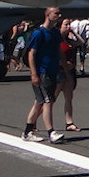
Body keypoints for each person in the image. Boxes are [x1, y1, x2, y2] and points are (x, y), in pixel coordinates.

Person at [22, 8, 66, 143]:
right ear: (48, 15)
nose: (59, 16)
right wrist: (33, 74)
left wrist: (65, 66)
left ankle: (27, 131)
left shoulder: (55, 32)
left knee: (39, 102)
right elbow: (31, 53)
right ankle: (51, 132)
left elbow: (59, 50)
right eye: (56, 13)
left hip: (53, 71)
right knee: (48, 101)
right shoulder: (38, 33)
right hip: (42, 72)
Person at [57, 18, 82, 133]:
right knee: (51, 99)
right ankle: (35, 120)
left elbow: (81, 42)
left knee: (69, 98)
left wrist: (73, 32)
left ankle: (69, 122)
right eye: (66, 25)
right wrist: (65, 64)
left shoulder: (68, 40)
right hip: (59, 71)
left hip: (69, 73)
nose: (68, 26)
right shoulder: (56, 40)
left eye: (69, 25)